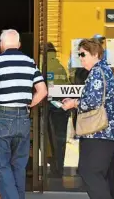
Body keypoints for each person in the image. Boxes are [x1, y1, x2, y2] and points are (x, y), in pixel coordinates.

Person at [0, 29, 47, 199]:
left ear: (1, 45)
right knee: (19, 165)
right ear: (19, 44)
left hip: (2, 115)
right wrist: (28, 105)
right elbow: (42, 91)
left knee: (1, 165)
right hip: (23, 116)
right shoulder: (29, 62)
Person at [62, 39, 114, 199]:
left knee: (89, 172)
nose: (80, 58)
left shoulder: (96, 72)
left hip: (98, 133)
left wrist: (72, 103)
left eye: (83, 54)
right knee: (103, 176)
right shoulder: (106, 71)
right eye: (79, 54)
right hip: (109, 133)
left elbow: (92, 101)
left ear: (95, 54)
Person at [46, 42, 71, 177]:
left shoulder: (43, 65)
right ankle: (59, 168)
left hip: (49, 106)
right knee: (60, 138)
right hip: (62, 106)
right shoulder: (60, 66)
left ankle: (53, 167)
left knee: (49, 139)